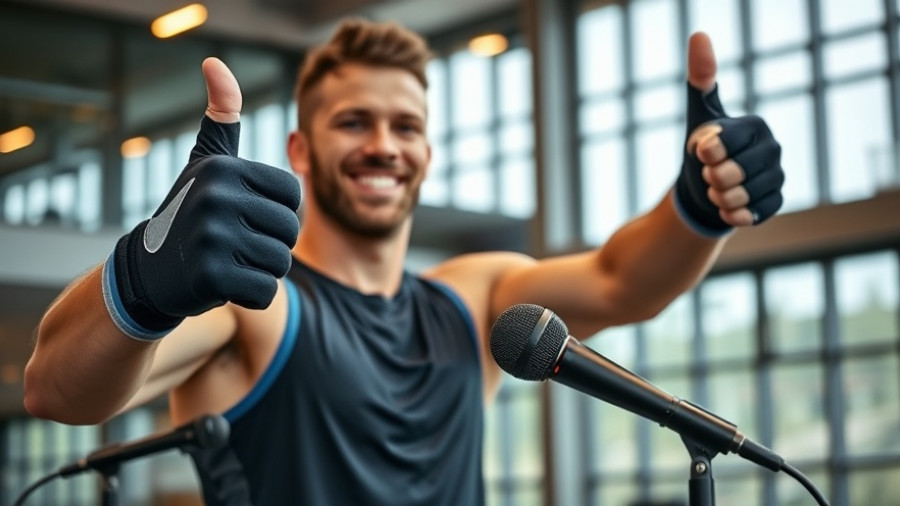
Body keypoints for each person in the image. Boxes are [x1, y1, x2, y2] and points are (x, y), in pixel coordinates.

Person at [23, 19, 783, 506]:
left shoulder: (474, 294)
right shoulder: (258, 303)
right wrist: (142, 280)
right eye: (353, 121)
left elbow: (624, 280)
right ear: (300, 150)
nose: (383, 144)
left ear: (425, 151)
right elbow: (55, 388)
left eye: (405, 125)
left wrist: (699, 205)